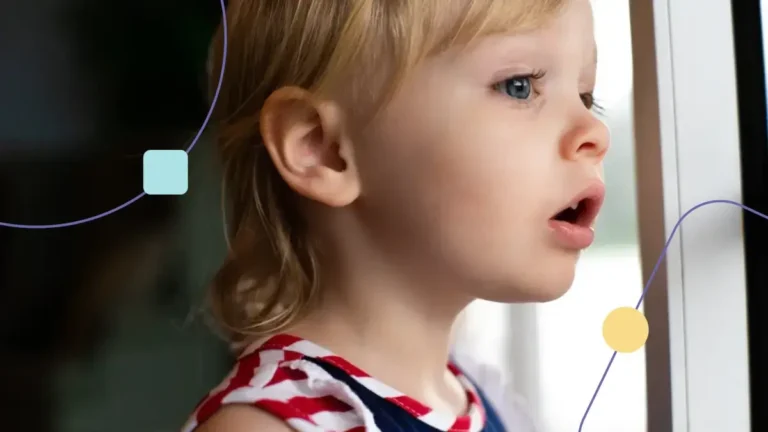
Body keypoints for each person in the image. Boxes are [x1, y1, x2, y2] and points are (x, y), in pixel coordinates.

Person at [183, 0, 609, 429]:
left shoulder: (486, 401)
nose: (596, 133)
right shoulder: (265, 425)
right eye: (519, 85)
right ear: (323, 149)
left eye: (586, 96)